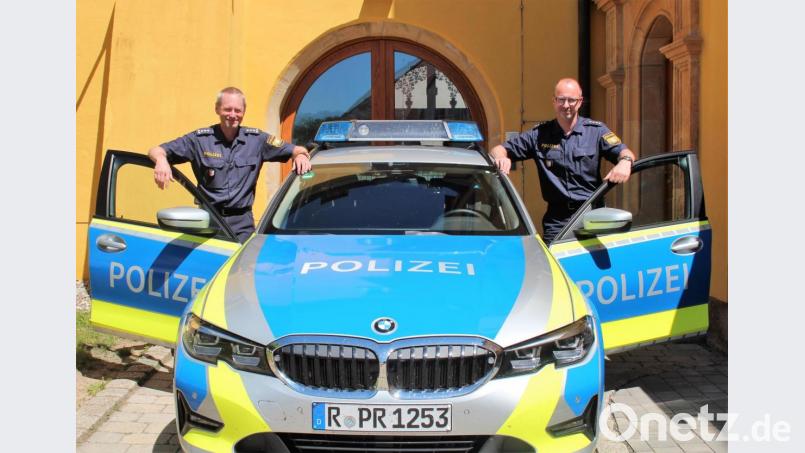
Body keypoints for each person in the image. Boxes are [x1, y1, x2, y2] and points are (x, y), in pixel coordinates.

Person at [148, 87, 312, 242]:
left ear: (243, 112)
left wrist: (301, 155)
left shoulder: (257, 140)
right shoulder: (199, 140)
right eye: (227, 109)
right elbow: (156, 150)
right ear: (217, 109)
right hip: (207, 222)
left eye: (237, 110)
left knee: (240, 269)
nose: (233, 115)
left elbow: (295, 149)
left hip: (242, 224)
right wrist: (162, 161)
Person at [489, 77, 636, 243]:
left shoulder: (596, 131)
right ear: (554, 101)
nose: (566, 105)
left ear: (579, 102)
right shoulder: (539, 135)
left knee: (596, 267)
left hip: (593, 214)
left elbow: (625, 151)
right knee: (555, 264)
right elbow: (497, 149)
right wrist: (501, 157)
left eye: (571, 100)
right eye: (561, 100)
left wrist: (625, 161)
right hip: (558, 220)